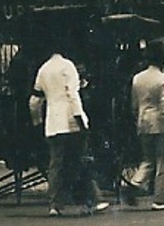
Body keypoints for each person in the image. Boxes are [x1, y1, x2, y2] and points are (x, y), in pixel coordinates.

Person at [30, 51, 109, 217]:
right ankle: (91, 200)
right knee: (80, 160)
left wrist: (37, 121)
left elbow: (35, 100)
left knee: (55, 164)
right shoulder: (68, 66)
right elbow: (72, 94)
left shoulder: (43, 69)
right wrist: (80, 118)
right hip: (71, 121)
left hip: (52, 122)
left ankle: (54, 204)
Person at [126, 40, 164, 211]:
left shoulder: (137, 79)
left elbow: (134, 104)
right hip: (159, 123)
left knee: (148, 158)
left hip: (143, 121)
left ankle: (135, 182)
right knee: (162, 161)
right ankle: (160, 199)